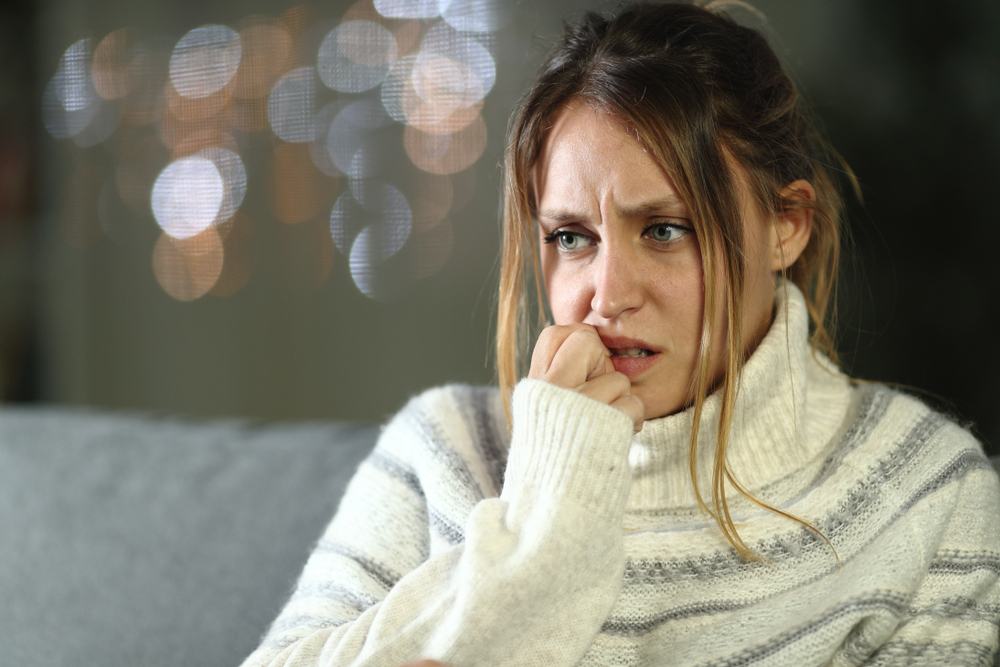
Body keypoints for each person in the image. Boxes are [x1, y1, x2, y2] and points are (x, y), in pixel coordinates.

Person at [241, 2, 1000, 665]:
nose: (605, 295)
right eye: (572, 237)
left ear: (786, 226)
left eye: (665, 229)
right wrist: (546, 518)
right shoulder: (442, 448)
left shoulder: (929, 494)